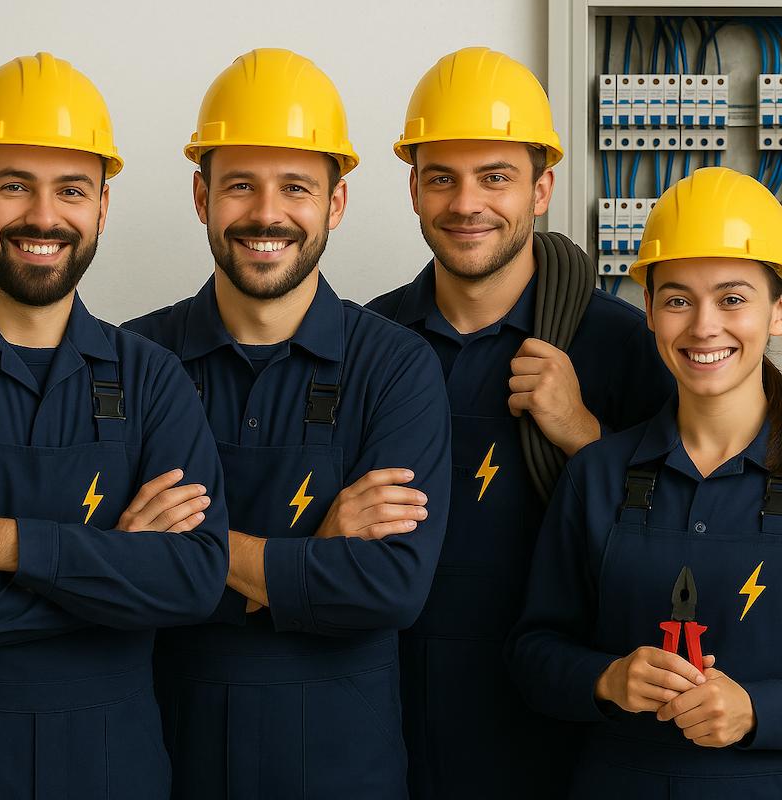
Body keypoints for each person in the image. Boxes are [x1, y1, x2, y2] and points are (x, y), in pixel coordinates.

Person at [124, 48, 451, 800]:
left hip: (345, 766)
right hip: (171, 756)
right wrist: (311, 558)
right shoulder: (135, 358)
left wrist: (189, 553)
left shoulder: (396, 367)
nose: (267, 214)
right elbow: (109, 572)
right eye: (240, 185)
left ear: (335, 205)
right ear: (202, 197)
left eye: (296, 188)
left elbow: (391, 588)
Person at [367, 47, 675, 798]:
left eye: (496, 177)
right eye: (442, 177)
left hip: (558, 735)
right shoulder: (366, 343)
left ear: (542, 189)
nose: (466, 202)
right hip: (390, 723)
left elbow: (686, 545)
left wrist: (583, 434)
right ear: (412, 189)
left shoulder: (623, 346)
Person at [0, 52, 228, 798]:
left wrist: (4, 541)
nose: (44, 217)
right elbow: (155, 578)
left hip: (115, 769)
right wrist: (115, 566)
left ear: (103, 206)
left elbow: (192, 579)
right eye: (12, 185)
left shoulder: (151, 377)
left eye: (71, 190)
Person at [510, 166, 782, 797]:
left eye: (733, 298)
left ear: (775, 312)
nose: (704, 326)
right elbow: (532, 653)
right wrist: (607, 680)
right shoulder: (599, 475)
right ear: (652, 313)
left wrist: (760, 711)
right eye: (678, 299)